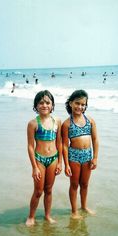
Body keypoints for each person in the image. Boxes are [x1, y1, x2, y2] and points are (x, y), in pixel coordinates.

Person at [26, 90, 62, 226]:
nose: (44, 105)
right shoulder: (33, 124)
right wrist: (34, 167)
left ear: (52, 105)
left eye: (47, 102)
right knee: (38, 191)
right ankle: (31, 216)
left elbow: (59, 142)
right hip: (39, 159)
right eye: (41, 103)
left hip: (53, 159)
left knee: (48, 189)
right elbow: (30, 146)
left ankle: (47, 215)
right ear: (36, 106)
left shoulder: (56, 121)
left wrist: (60, 162)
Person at [62, 90, 99, 219]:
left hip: (87, 156)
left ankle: (83, 206)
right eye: (77, 103)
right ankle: (74, 211)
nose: (80, 107)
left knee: (85, 184)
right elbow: (65, 145)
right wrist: (66, 164)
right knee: (74, 184)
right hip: (74, 156)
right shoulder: (67, 123)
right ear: (71, 103)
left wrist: (95, 157)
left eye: (83, 104)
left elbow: (95, 140)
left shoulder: (90, 120)